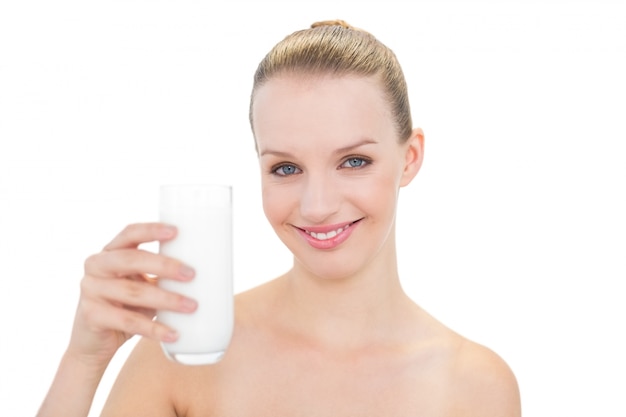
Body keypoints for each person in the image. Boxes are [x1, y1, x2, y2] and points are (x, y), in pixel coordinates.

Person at [38, 19, 521, 416]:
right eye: (285, 168)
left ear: (410, 158)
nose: (316, 205)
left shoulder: (475, 387)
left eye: (353, 161)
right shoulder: (187, 355)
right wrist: (84, 361)